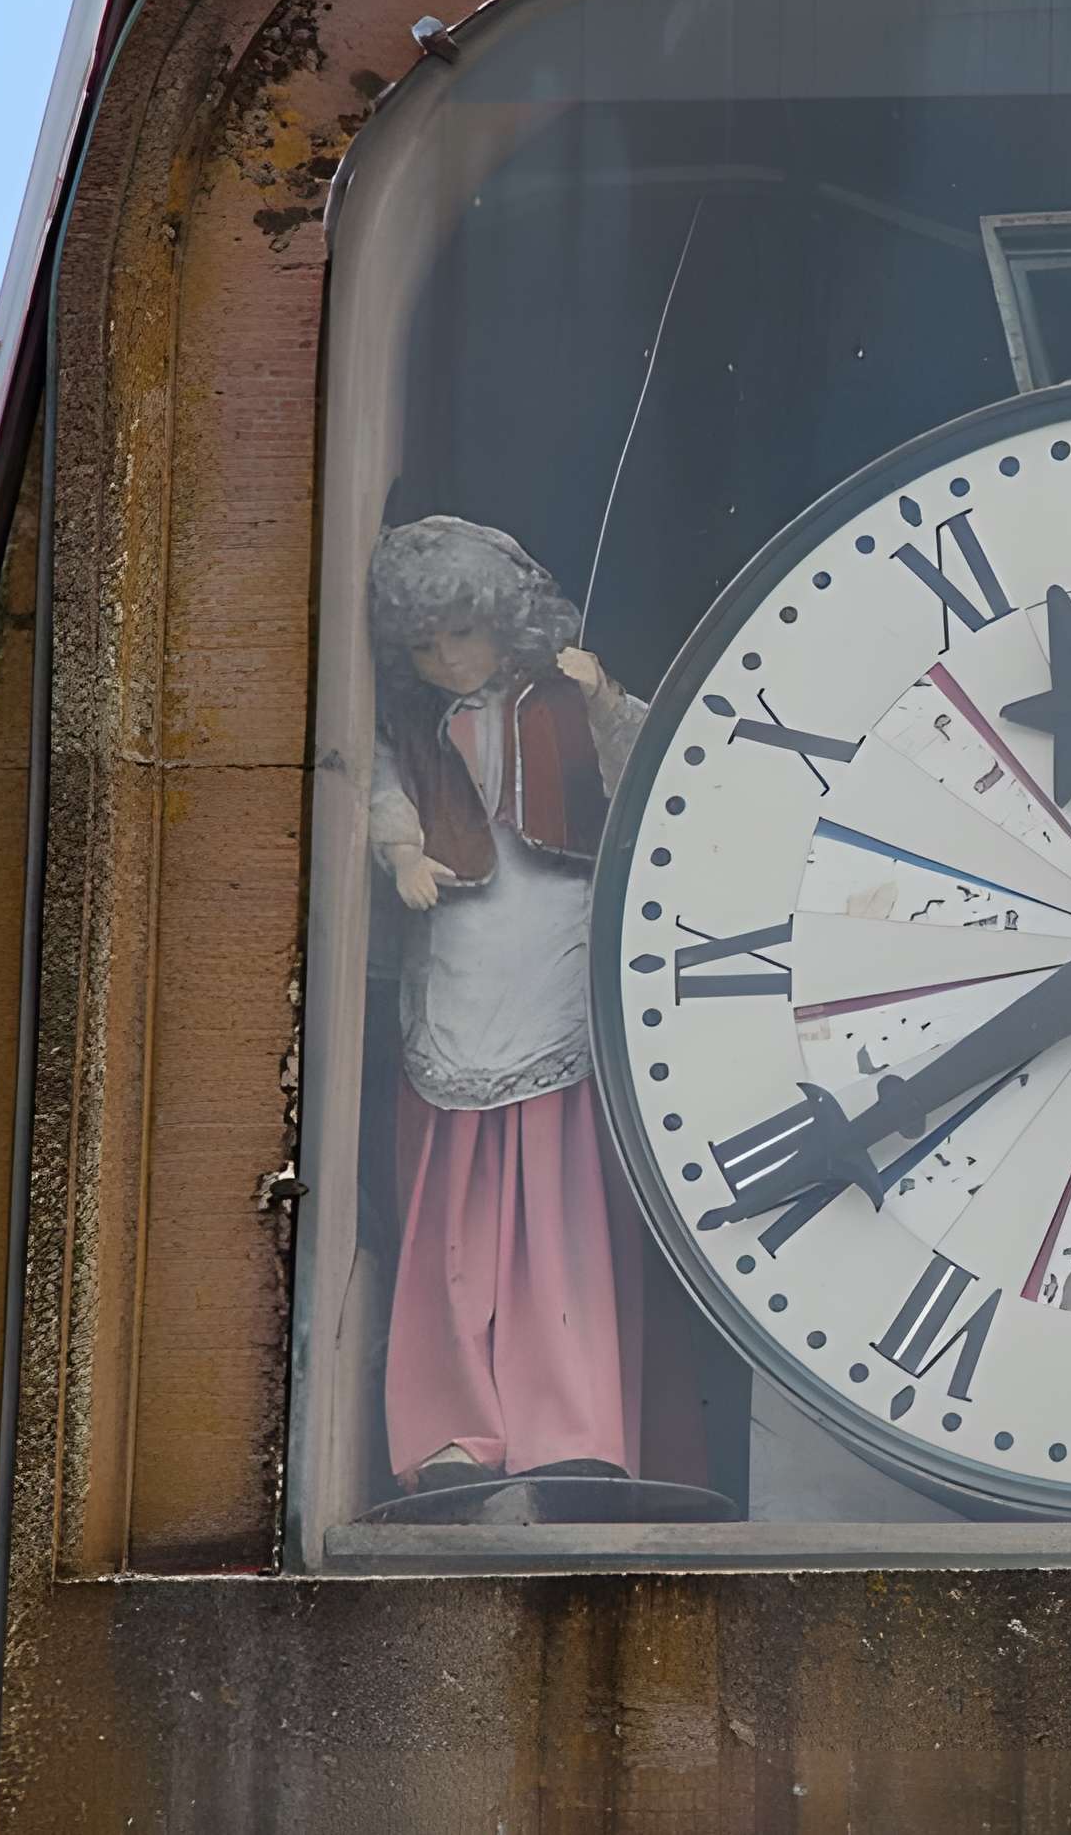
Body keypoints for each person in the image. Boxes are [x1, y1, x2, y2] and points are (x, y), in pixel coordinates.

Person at [365, 515, 649, 1491]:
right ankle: (453, 1427)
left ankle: (566, 1423)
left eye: (465, 633)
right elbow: (384, 796)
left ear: (503, 623)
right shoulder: (410, 729)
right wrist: (401, 853)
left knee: (559, 1209)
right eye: (428, 642)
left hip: (553, 947)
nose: (450, 657)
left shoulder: (558, 698)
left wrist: (601, 693)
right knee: (455, 1212)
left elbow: (647, 764)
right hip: (460, 955)